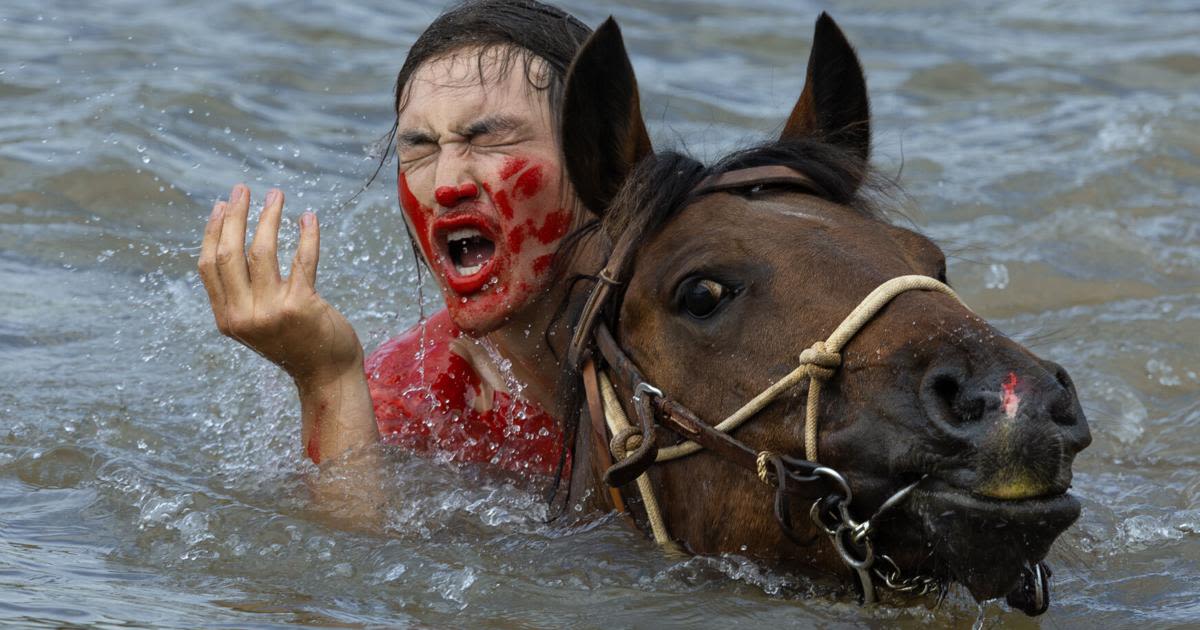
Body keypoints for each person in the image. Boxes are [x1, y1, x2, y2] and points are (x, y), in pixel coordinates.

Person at [197, 0, 596, 485]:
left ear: (601, 160)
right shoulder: (415, 394)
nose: (446, 185)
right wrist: (327, 379)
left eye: (488, 141)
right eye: (420, 149)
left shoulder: (699, 315)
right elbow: (352, 549)